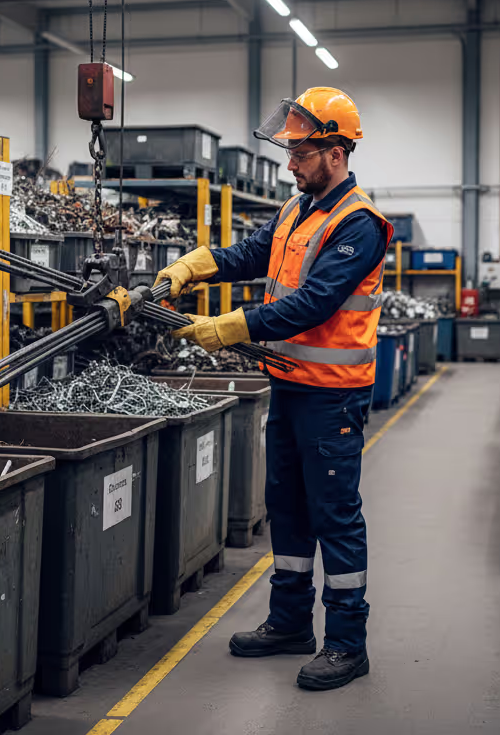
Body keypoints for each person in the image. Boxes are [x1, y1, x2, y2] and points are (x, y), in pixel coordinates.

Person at [154, 87, 392, 692]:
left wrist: (230, 327)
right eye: (288, 151)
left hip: (333, 396)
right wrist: (192, 265)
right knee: (285, 506)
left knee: (334, 515)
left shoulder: (357, 224)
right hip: (288, 385)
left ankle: (346, 642)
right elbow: (248, 254)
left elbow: (315, 304)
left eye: (301, 152)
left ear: (336, 152)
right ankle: (290, 623)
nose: (289, 163)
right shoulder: (297, 210)